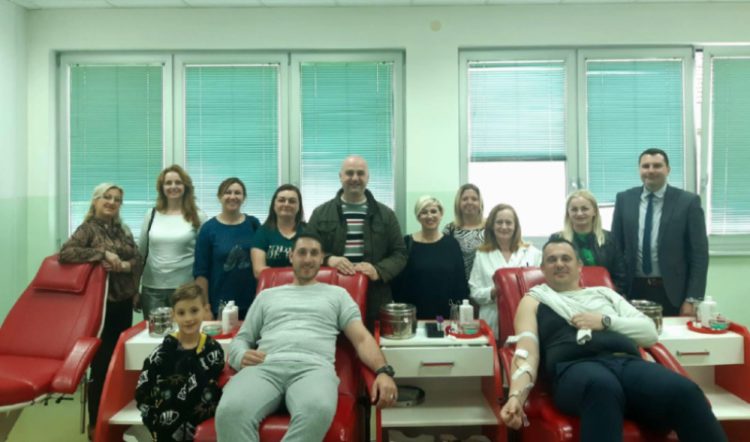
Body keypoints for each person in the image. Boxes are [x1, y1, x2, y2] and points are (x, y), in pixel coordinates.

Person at [500, 238, 726, 442]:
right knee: (602, 386)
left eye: (566, 258)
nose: (559, 264)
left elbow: (649, 332)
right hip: (574, 369)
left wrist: (605, 321)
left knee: (685, 391)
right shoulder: (535, 300)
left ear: (579, 266)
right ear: (542, 268)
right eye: (552, 260)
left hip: (627, 364)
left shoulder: (605, 294)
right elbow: (526, 351)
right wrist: (515, 397)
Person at [215, 233, 398, 442]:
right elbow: (242, 338)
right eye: (302, 252)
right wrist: (240, 355)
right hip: (265, 366)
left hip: (313, 369)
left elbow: (362, 339)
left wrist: (383, 371)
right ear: (291, 256)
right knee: (229, 411)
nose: (308, 259)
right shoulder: (267, 296)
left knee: (317, 409)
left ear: (321, 259)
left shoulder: (337, 295)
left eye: (314, 253)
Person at [59, 183, 142, 439]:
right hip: (99, 307)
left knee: (119, 363)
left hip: (123, 303)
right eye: (107, 197)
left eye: (117, 199)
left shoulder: (122, 230)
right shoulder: (87, 229)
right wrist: (102, 253)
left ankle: (115, 418)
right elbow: (66, 253)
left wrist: (125, 267)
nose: (112, 202)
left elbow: (137, 259)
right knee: (101, 364)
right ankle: (96, 424)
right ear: (95, 201)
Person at [306, 155, 407, 326]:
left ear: (368, 177)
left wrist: (378, 270)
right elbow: (307, 251)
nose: (355, 178)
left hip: (374, 298)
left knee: (371, 339)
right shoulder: (320, 213)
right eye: (349, 173)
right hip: (329, 296)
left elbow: (400, 254)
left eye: (360, 173)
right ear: (340, 177)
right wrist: (328, 259)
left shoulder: (387, 215)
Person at [611, 148, 709, 316]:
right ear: (639, 169)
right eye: (645, 166)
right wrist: (617, 292)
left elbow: (699, 254)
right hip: (632, 291)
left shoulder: (688, 202)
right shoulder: (624, 199)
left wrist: (692, 298)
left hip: (673, 292)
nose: (651, 171)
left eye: (657, 166)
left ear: (668, 169)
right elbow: (616, 248)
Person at [135, 282, 224, 442]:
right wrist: (155, 424)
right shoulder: (160, 355)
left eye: (194, 311)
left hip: (201, 432)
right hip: (164, 433)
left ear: (205, 310)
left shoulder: (214, 350)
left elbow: (214, 392)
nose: (188, 318)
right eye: (181, 313)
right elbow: (143, 393)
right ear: (173, 315)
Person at [139, 165, 207, 320]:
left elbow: (204, 257)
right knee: (155, 333)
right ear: (162, 188)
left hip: (186, 290)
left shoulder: (198, 216)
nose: (173, 186)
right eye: (168, 183)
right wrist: (134, 289)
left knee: (186, 332)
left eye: (178, 182)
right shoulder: (151, 215)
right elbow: (141, 253)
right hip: (153, 289)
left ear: (185, 186)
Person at [469, 203, 542, 337]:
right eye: (499, 222)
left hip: (527, 320)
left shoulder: (533, 253)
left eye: (508, 223)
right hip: (493, 321)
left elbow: (543, 289)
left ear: (515, 226)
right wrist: (492, 292)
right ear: (492, 226)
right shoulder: (482, 254)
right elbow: (474, 291)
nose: (504, 227)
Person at [193, 177, 260, 320]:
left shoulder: (253, 225)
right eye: (227, 192)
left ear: (244, 197)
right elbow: (201, 273)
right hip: (220, 305)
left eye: (237, 193)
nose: (232, 196)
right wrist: (205, 307)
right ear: (219, 197)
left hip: (252, 303)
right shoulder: (208, 229)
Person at [392, 196, 468, 319]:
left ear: (441, 214)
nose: (429, 216)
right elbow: (397, 283)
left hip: (445, 315)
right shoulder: (406, 243)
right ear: (418, 216)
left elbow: (460, 282)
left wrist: (459, 311)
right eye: (424, 212)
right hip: (412, 315)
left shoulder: (451, 244)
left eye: (433, 211)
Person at [549, 189, 626, 293]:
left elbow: (620, 277)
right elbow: (550, 273)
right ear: (568, 213)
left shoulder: (610, 239)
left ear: (594, 211)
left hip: (603, 297)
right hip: (567, 296)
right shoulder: (557, 240)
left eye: (584, 209)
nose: (579, 213)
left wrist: (611, 296)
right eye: (574, 209)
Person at [250, 184, 305, 278]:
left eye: (292, 201)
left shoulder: (308, 231)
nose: (286, 204)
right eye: (281, 200)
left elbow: (314, 267)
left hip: (303, 286)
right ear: (274, 205)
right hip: (272, 286)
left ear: (299, 206)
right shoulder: (263, 232)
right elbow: (258, 271)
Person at [443, 183, 486, 279]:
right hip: (456, 283)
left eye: (474, 199)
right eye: (465, 199)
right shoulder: (449, 229)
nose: (469, 202)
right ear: (458, 203)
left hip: (485, 284)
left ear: (480, 203)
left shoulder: (490, 228)